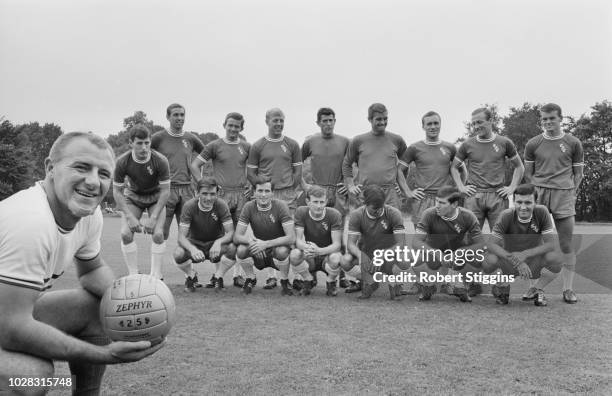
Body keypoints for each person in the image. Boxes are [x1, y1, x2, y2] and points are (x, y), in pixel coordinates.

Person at [0, 132, 164, 395]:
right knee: (33, 377)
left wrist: (129, 302)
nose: (92, 182)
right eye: (81, 167)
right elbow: (11, 328)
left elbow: (93, 271)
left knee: (98, 305)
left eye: (103, 173)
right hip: (6, 320)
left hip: (7, 313)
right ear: (50, 168)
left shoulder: (89, 214)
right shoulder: (30, 222)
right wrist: (105, 353)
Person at [450, 107, 524, 297]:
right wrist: (461, 187)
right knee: (469, 241)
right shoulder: (467, 145)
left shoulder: (504, 143)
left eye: (480, 122)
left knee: (500, 242)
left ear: (491, 121)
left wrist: (511, 188)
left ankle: (500, 285)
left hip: (497, 196)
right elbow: (454, 168)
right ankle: (471, 283)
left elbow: (519, 167)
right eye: (473, 123)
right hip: (474, 197)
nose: (476, 126)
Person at [523, 103, 584, 304]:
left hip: (563, 195)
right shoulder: (533, 143)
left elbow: (578, 174)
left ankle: (568, 289)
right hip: (539, 194)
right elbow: (528, 173)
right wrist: (533, 195)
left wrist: (571, 192)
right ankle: (534, 287)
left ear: (560, 119)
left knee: (566, 243)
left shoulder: (573, 142)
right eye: (544, 119)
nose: (548, 122)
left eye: (552, 118)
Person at [396, 111, 460, 295]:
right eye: (429, 124)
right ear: (423, 126)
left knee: (447, 243)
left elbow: (460, 169)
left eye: (436, 123)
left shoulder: (450, 148)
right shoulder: (415, 148)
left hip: (444, 201)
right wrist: (408, 192)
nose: (433, 127)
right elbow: (400, 170)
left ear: (440, 124)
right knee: (419, 243)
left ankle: (445, 282)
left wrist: (458, 190)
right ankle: (420, 282)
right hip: (422, 201)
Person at [190, 112, 250, 288]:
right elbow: (195, 165)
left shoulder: (247, 147)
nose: (233, 128)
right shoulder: (214, 145)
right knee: (219, 235)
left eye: (236, 126)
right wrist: (205, 186)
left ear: (241, 128)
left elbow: (255, 169)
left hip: (241, 195)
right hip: (221, 196)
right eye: (230, 125)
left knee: (238, 237)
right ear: (224, 125)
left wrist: (251, 185)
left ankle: (237, 276)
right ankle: (217, 276)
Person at [246, 108, 302, 289]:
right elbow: (250, 173)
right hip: (265, 194)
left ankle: (294, 278)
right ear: (267, 121)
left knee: (289, 236)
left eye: (281, 120)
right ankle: (271, 276)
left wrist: (290, 188)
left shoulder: (292, 144)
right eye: (275, 120)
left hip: (287, 194)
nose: (278, 124)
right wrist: (262, 188)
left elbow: (298, 171)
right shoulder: (258, 145)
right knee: (265, 232)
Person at [484, 184, 562, 306]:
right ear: (513, 202)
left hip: (533, 260)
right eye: (519, 202)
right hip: (509, 260)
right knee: (489, 259)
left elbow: (551, 244)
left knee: (556, 257)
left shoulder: (542, 212)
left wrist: (525, 254)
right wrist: (517, 260)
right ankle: (502, 285)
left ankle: (536, 289)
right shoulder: (506, 215)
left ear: (535, 202)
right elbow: (491, 245)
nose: (523, 207)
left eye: (528, 203)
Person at [300, 107, 351, 289]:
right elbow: (296, 163)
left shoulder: (345, 141)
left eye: (331, 120)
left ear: (335, 121)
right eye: (324, 121)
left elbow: (355, 164)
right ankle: (312, 275)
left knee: (338, 237)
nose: (328, 124)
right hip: (317, 191)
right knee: (312, 233)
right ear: (318, 122)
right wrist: (304, 185)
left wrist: (349, 184)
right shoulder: (310, 142)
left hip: (337, 193)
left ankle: (342, 275)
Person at [113, 124, 170, 279]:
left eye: (147, 143)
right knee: (125, 234)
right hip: (133, 197)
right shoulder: (122, 162)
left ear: (150, 142)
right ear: (131, 143)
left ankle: (156, 276)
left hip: (156, 197)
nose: (144, 147)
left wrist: (152, 218)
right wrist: (129, 217)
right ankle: (133, 275)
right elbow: (117, 192)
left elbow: (165, 191)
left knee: (158, 235)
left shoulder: (160, 160)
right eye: (139, 143)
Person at [411, 186, 486, 302]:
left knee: (482, 258)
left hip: (457, 255)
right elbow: (416, 242)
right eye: (437, 201)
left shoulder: (468, 216)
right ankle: (429, 284)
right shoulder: (429, 214)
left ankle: (461, 285)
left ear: (454, 204)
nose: (437, 205)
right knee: (412, 257)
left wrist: (461, 252)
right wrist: (434, 252)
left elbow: (481, 245)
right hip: (434, 254)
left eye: (442, 203)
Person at [340, 185, 409, 299]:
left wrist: (382, 255)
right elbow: (351, 244)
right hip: (367, 256)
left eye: (381, 207)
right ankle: (371, 282)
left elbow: (401, 244)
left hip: (388, 257)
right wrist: (361, 256)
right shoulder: (357, 215)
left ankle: (395, 283)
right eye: (374, 209)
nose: (379, 211)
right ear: (365, 203)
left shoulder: (394, 213)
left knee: (405, 259)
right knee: (345, 260)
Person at [233, 177, 296, 295]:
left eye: (267, 191)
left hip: (276, 249)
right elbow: (237, 236)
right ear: (254, 192)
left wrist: (265, 244)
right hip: (259, 249)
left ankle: (284, 280)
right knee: (241, 249)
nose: (263, 194)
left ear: (272, 193)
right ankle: (250, 278)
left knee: (282, 251)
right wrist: (252, 242)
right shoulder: (248, 207)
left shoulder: (281, 206)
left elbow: (291, 237)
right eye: (260, 191)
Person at [173, 178, 237, 292]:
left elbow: (231, 232)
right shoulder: (189, 206)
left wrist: (218, 242)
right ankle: (191, 276)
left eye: (212, 194)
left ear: (217, 193)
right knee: (178, 253)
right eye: (204, 194)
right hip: (195, 243)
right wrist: (192, 249)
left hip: (215, 245)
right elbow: (181, 237)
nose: (208, 198)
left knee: (234, 248)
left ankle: (218, 276)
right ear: (197, 193)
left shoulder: (221, 205)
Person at [342, 103, 407, 211]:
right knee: (366, 226)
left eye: (385, 119)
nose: (382, 122)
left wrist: (401, 185)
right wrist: (350, 186)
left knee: (393, 226)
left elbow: (405, 164)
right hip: (366, 192)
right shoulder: (358, 140)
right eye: (378, 119)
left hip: (390, 194)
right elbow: (346, 164)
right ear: (370, 119)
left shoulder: (397, 140)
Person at [289, 186, 343, 296]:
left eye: (322, 202)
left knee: (336, 257)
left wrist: (319, 251)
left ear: (326, 201)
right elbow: (298, 240)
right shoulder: (301, 212)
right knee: (294, 254)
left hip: (327, 255)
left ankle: (331, 282)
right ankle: (308, 279)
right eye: (315, 202)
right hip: (310, 255)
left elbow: (337, 245)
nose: (319, 206)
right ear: (307, 202)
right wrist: (307, 248)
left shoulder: (334, 214)